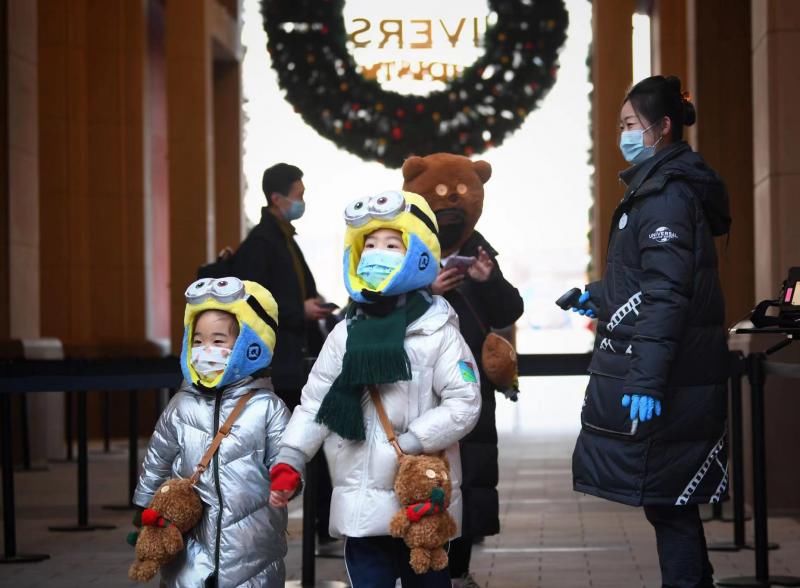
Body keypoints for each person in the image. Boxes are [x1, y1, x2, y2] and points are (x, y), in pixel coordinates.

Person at [268, 190, 481, 587]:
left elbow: (465, 402)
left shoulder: (438, 331)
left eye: (391, 244)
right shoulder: (345, 333)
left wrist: (413, 441)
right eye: (369, 244)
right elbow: (316, 403)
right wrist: (290, 458)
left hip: (418, 498)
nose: (377, 253)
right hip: (360, 499)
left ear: (417, 252)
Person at [570, 75, 731, 588]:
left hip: (671, 378)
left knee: (669, 505)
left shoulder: (664, 195)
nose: (624, 134)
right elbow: (654, 280)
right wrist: (603, 294)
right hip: (678, 372)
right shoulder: (659, 188)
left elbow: (667, 296)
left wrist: (645, 382)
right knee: (671, 503)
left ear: (662, 128)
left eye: (630, 125)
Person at [402, 153, 524, 587]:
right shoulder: (405, 247)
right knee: (418, 476)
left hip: (469, 383)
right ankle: (421, 559)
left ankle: (459, 568)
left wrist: (487, 279)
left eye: (458, 194)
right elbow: (378, 306)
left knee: (470, 475)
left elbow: (511, 308)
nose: (450, 203)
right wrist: (426, 288)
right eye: (439, 194)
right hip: (417, 386)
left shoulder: (479, 249)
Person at [133, 277, 290, 587]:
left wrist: (287, 482)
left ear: (250, 344)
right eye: (197, 340)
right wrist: (143, 505)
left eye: (219, 342)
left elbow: (287, 456)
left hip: (253, 546)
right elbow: (157, 458)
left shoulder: (268, 408)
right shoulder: (181, 404)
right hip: (189, 542)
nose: (206, 350)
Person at [201, 162, 333, 411]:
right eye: (299, 196)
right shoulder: (261, 243)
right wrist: (299, 310)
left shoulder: (283, 238)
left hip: (292, 356)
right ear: (276, 198)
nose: (302, 202)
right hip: (278, 361)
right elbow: (252, 301)